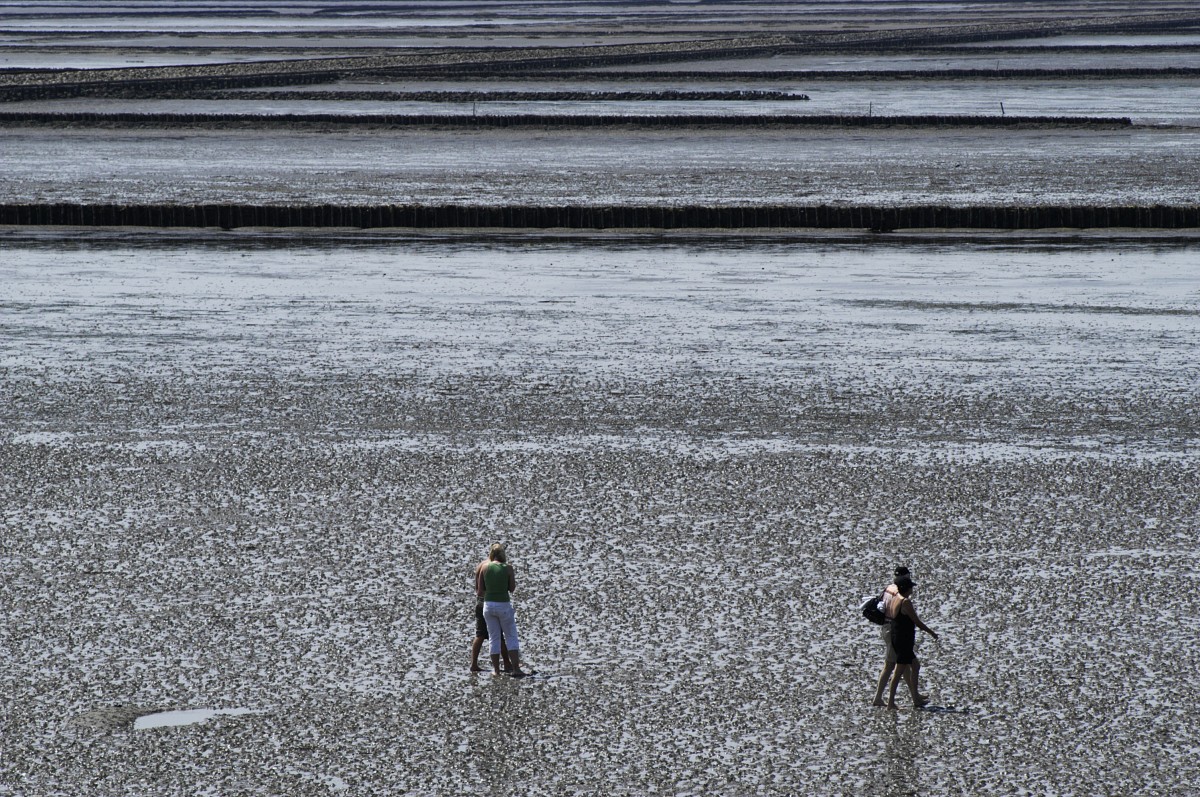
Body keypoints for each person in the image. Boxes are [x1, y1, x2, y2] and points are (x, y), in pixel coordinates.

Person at [886, 574, 938, 710]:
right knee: (898, 671)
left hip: (898, 638)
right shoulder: (905, 602)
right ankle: (891, 703)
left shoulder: (895, 598)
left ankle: (916, 698)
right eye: (911, 587)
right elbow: (917, 622)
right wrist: (931, 632)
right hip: (903, 640)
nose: (912, 590)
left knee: (915, 666)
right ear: (907, 589)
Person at [477, 543, 526, 677]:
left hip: (488, 605)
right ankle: (515, 668)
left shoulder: (485, 567)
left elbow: (480, 591)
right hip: (503, 604)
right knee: (510, 635)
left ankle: (496, 670)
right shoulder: (508, 568)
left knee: (494, 638)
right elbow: (512, 588)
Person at [470, 549, 511, 673]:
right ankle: (507, 663)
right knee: (498, 635)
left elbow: (478, 589)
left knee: (480, 634)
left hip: (479, 603)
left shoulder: (481, 565)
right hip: (489, 602)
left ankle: (474, 664)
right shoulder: (491, 567)